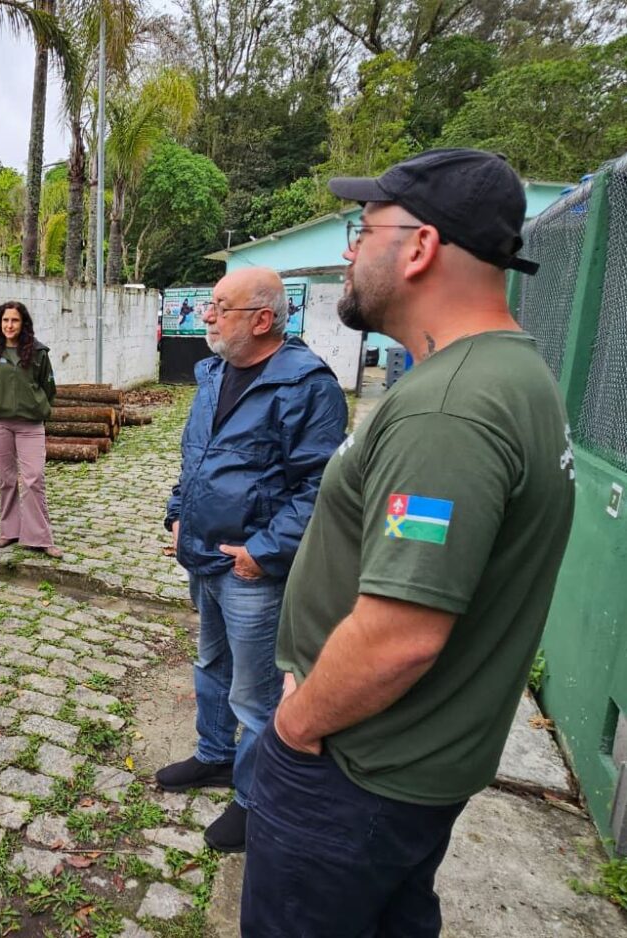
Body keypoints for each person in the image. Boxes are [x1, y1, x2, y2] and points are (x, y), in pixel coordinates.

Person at [242, 149, 572, 936]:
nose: (351, 252)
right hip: (408, 772)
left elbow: (399, 637)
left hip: (356, 771)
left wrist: (295, 728)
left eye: (363, 231)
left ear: (420, 247)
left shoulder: (448, 410)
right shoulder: (509, 374)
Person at [160, 267, 346, 854]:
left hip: (252, 570)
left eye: (220, 307)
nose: (207, 316)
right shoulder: (214, 373)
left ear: (263, 320)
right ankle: (214, 756)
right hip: (204, 557)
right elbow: (198, 456)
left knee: (256, 694)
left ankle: (253, 800)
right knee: (211, 665)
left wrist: (262, 554)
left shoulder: (308, 386)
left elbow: (320, 486)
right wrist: (176, 513)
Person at [0, 301, 62, 558]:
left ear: (23, 323)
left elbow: (49, 388)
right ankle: (9, 531)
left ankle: (40, 537)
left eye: (14, 320)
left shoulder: (38, 353)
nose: (9, 325)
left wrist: (36, 406)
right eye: (5, 321)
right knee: (6, 478)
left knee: (34, 478)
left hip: (30, 424)